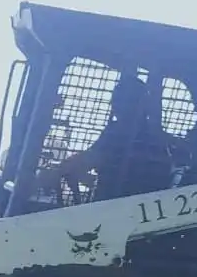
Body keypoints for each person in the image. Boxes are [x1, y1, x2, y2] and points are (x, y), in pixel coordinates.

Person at [38, 74, 178, 201]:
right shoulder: (156, 139)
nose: (114, 106)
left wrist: (58, 170)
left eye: (118, 101)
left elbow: (89, 159)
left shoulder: (120, 134)